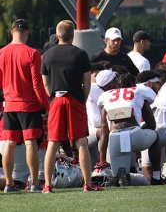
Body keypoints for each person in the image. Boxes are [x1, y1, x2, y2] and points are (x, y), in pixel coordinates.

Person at [41, 20, 101, 193]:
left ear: (58, 34)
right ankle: (88, 184)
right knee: (81, 142)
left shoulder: (47, 55)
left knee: (53, 142)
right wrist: (82, 99)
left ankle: (47, 185)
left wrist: (52, 98)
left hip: (56, 100)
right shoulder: (80, 54)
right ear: (72, 34)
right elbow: (87, 81)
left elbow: (45, 83)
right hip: (74, 98)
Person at [0, 19, 49, 193]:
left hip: (10, 105)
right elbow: (37, 85)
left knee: (9, 143)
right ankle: (34, 183)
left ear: (11, 31)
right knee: (30, 144)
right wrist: (46, 105)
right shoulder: (32, 53)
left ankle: (9, 184)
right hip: (29, 106)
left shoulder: (2, 53)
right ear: (27, 32)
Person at [97, 72, 161, 186]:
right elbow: (152, 124)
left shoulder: (106, 96)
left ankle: (121, 177)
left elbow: (104, 130)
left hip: (115, 136)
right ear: (133, 84)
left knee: (120, 180)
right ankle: (156, 178)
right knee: (155, 136)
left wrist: (102, 160)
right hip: (135, 133)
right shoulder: (139, 91)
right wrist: (139, 131)